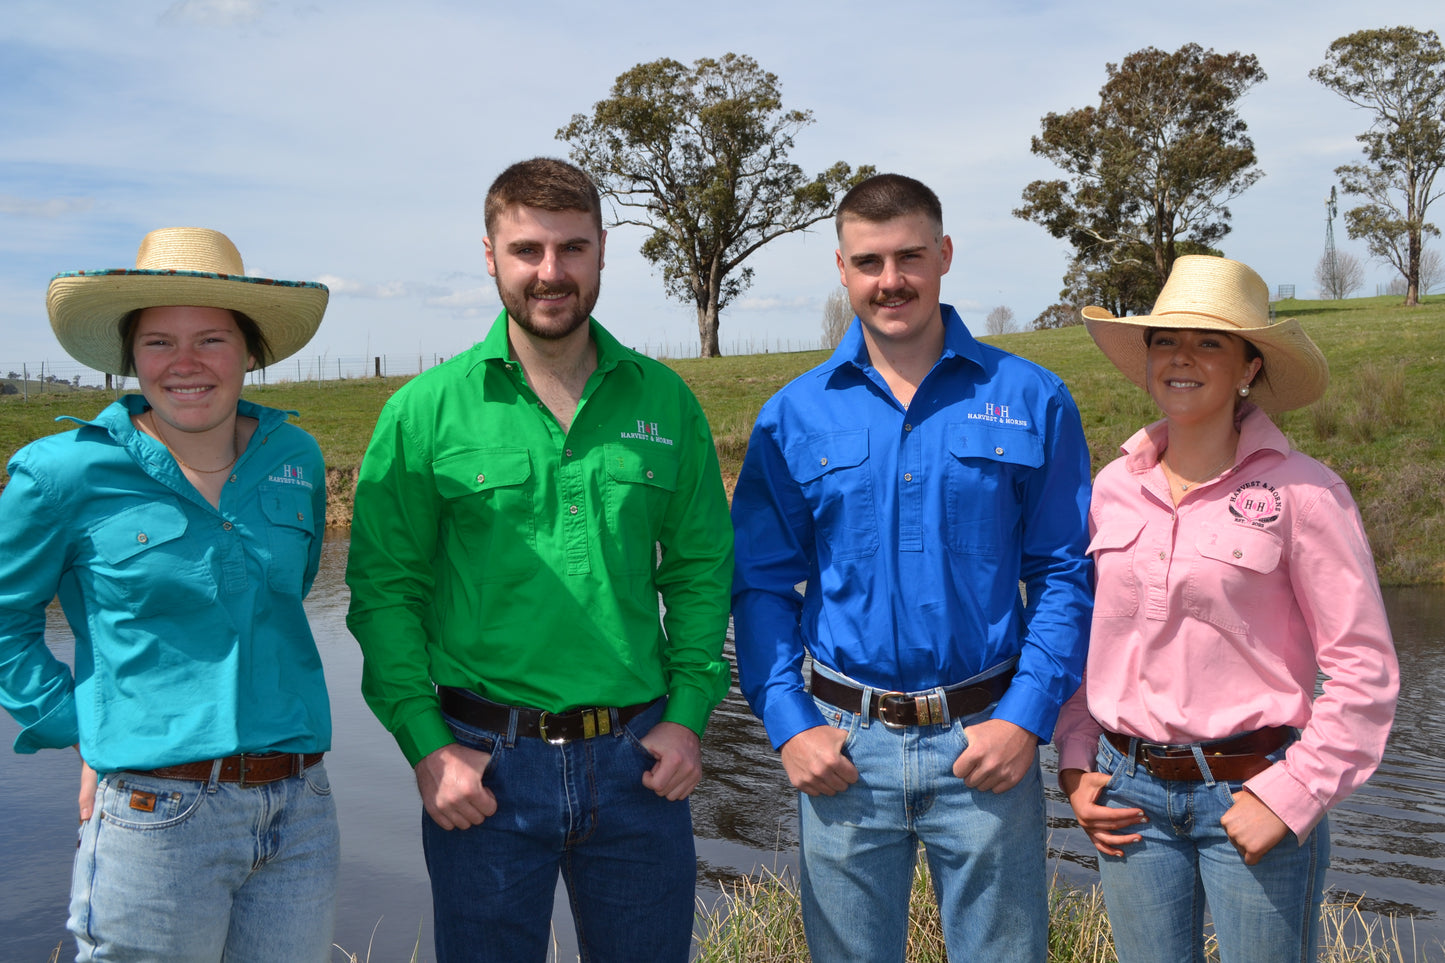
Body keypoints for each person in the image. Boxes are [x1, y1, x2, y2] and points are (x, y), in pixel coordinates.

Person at [345, 157, 733, 963]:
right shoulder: (424, 411)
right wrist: (425, 744)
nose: (550, 273)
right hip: (481, 770)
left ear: (600, 254)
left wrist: (690, 715)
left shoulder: (664, 403)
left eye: (572, 248)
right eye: (526, 250)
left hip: (641, 761)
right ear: (490, 254)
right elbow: (386, 592)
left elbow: (698, 569)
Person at [730, 173, 1093, 962]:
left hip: (986, 740)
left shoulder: (1029, 396)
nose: (889, 280)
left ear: (943, 255)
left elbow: (1064, 573)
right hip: (841, 747)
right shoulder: (794, 414)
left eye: (908, 257)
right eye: (868, 262)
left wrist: (1027, 715)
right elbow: (759, 584)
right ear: (841, 268)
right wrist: (789, 724)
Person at [0, 226, 337, 962]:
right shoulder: (60, 473)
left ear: (249, 352)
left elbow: (284, 600)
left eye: (211, 339)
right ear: (130, 357)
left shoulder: (295, 458)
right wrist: (86, 722)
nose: (184, 363)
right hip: (155, 818)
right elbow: (5, 620)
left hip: (301, 813)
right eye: (158, 342)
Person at [1055, 255, 1399, 962]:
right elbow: (1094, 640)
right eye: (1164, 338)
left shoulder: (1307, 493)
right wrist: (1073, 759)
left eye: (1208, 341)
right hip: (1128, 800)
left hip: (1256, 788)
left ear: (1248, 367)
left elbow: (1363, 669)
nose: (1180, 355)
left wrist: (1293, 791)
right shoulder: (1113, 486)